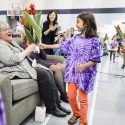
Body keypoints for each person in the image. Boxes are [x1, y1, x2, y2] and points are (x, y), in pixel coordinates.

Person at [40, 12, 101, 125]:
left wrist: (84, 66)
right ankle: (76, 113)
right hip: (72, 73)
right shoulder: (75, 38)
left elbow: (95, 59)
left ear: (86, 24)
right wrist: (46, 46)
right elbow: (62, 45)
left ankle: (83, 120)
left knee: (83, 99)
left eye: (78, 22)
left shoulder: (94, 41)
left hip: (85, 75)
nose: (76, 24)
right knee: (71, 96)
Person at [0, 21, 71, 117]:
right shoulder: (1, 45)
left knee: (49, 71)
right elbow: (11, 60)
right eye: (5, 30)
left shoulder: (12, 42)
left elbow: (24, 55)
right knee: (44, 74)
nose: (9, 30)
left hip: (25, 65)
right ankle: (51, 108)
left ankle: (57, 104)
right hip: (14, 70)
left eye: (9, 28)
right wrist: (27, 50)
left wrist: (31, 49)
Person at [20, 36, 68, 103]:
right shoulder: (22, 46)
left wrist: (39, 47)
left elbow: (44, 57)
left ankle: (64, 92)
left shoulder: (35, 43)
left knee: (63, 67)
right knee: (57, 69)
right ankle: (63, 94)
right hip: (35, 63)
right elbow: (29, 59)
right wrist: (32, 48)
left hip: (42, 61)